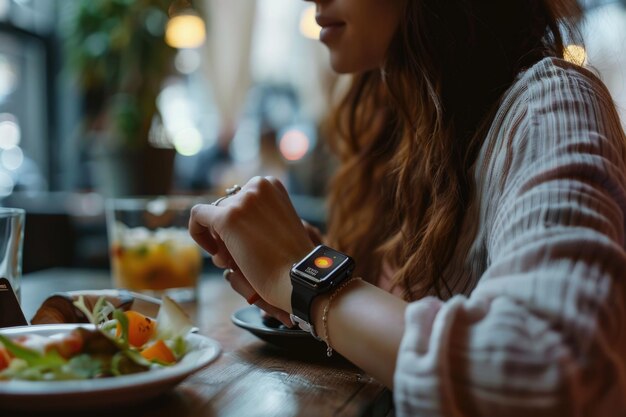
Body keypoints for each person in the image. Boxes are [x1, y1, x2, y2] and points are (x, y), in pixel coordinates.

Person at [189, 0, 626, 415]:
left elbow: (547, 373)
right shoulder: (400, 131)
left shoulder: (550, 106)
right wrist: (317, 272)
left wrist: (305, 278)